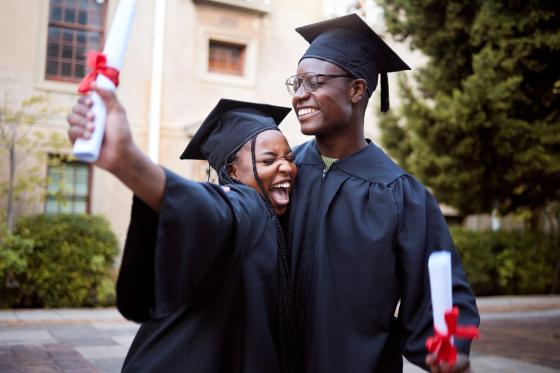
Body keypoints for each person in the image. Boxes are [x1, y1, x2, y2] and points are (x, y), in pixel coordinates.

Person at [283, 14, 480, 373]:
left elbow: (441, 289)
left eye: (313, 82)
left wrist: (449, 349)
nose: (299, 95)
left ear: (357, 90)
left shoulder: (402, 195)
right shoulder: (282, 172)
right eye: (296, 83)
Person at [66, 89, 300, 372]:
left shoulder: (270, 217)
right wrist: (126, 161)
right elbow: (206, 206)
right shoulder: (247, 205)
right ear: (234, 172)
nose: (286, 166)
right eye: (268, 160)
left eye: (289, 157)